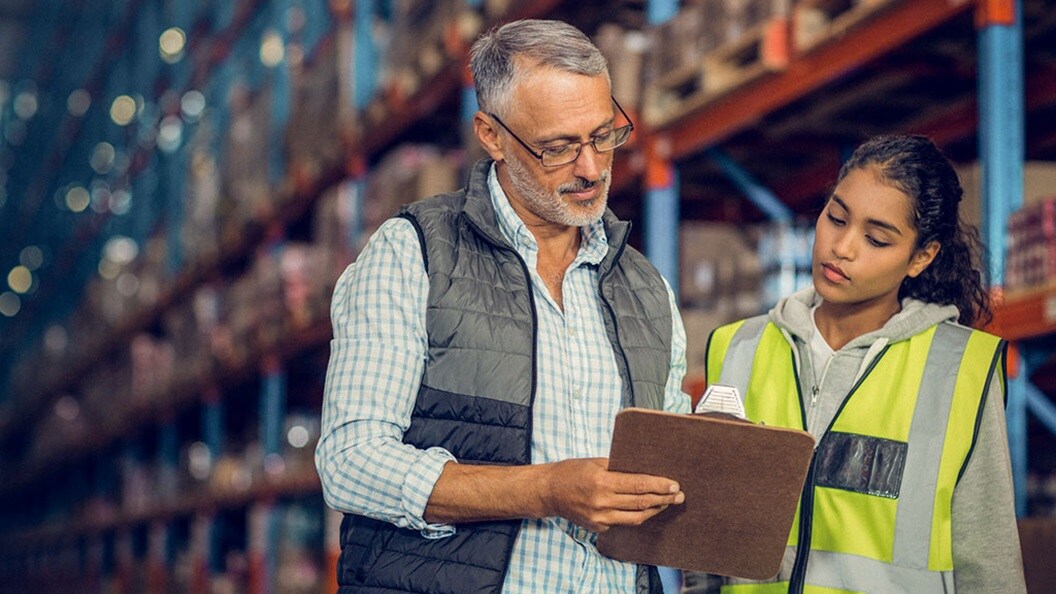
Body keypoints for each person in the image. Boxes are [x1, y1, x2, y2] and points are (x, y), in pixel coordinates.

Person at [315, 19, 691, 594]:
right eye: (558, 148)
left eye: (603, 135)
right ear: (491, 135)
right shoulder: (413, 254)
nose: (591, 168)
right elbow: (351, 463)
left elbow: (666, 480)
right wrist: (543, 490)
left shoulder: (647, 290)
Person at [704, 135, 1026, 593]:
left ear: (921, 257)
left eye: (876, 239)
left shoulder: (960, 370)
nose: (843, 247)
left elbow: (988, 563)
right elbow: (701, 540)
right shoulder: (738, 348)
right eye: (836, 218)